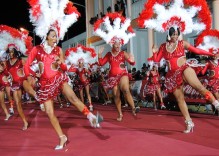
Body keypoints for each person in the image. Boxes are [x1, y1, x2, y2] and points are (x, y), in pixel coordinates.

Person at [24, 0, 101, 150]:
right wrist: (33, 75)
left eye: (56, 36)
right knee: (49, 113)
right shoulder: (37, 50)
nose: (55, 38)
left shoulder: (58, 50)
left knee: (73, 98)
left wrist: (61, 62)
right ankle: (62, 137)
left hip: (58, 78)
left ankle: (91, 117)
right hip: (45, 84)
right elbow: (27, 65)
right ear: (46, 36)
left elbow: (65, 67)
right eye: (52, 36)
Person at [138, 0, 219, 133]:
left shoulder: (183, 44)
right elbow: (157, 60)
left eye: (177, 34)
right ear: (169, 34)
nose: (175, 36)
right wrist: (153, 53)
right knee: (180, 99)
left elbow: (197, 51)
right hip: (171, 76)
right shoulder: (163, 47)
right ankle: (189, 123)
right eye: (173, 34)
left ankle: (215, 103)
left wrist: (210, 53)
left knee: (197, 86)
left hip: (184, 69)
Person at [94, 12, 140, 121]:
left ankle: (133, 108)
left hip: (123, 74)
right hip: (112, 77)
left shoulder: (123, 53)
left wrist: (132, 61)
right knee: (116, 95)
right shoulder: (109, 54)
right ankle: (120, 114)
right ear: (112, 44)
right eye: (116, 43)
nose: (119, 45)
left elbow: (132, 63)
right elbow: (101, 63)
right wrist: (99, 55)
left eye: (120, 43)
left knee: (125, 89)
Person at [5, 45, 29, 130]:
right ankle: (25, 122)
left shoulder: (21, 60)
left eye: (12, 52)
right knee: (18, 104)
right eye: (9, 52)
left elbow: (28, 68)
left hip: (23, 81)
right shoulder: (7, 62)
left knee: (32, 91)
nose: (11, 54)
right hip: (15, 85)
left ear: (15, 52)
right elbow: (6, 72)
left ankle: (41, 102)